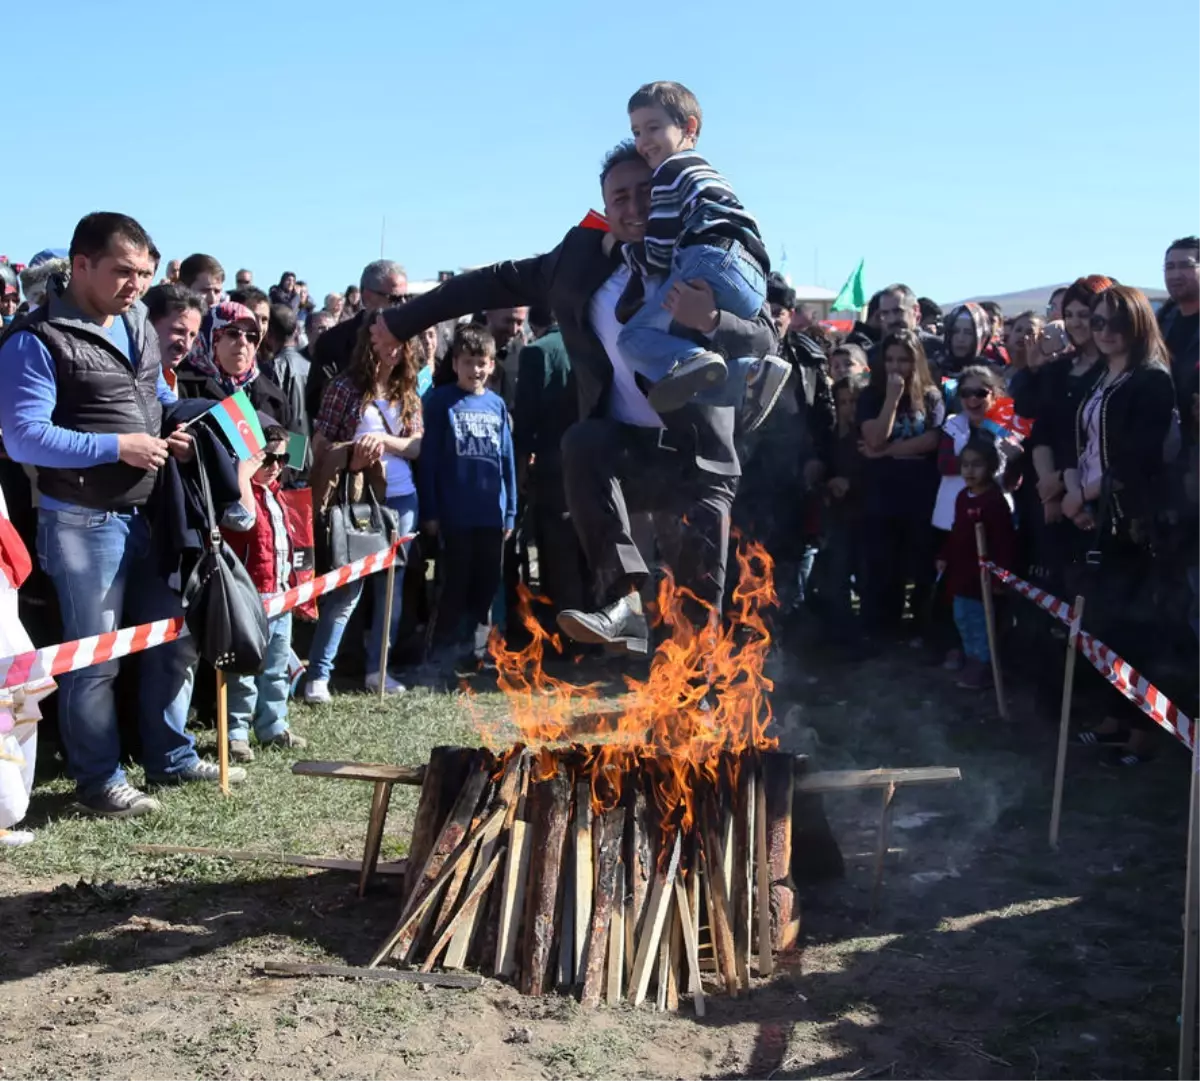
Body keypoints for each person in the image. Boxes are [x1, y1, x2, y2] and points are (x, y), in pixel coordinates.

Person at [370, 140, 775, 656]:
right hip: (626, 447)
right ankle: (620, 598)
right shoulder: (579, 260)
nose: (634, 208)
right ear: (605, 209)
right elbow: (488, 284)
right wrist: (403, 320)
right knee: (582, 441)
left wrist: (713, 320)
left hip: (697, 456)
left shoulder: (698, 252)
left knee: (694, 618)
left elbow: (765, 338)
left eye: (647, 193)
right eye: (620, 198)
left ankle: (691, 727)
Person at [0, 212, 242, 816]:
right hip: (80, 519)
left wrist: (178, 425)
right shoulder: (34, 340)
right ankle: (98, 781)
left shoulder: (137, 322)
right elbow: (24, 436)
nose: (136, 286)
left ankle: (170, 755)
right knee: (95, 659)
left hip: (149, 516)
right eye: (123, 272)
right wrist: (119, 447)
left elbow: (153, 397)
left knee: (173, 638)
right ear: (81, 265)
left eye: (144, 274)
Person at [616, 81, 788, 423]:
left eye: (653, 128)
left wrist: (631, 255)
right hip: (751, 276)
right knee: (689, 382)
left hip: (709, 258)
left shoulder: (670, 170)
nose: (643, 142)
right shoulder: (713, 175)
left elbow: (660, 248)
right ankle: (750, 376)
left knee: (633, 338)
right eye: (636, 131)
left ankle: (692, 357)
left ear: (688, 127)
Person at [1064, 285, 1176, 764]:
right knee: (1106, 626)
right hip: (1095, 512)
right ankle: (1113, 717)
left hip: (1134, 522)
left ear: (1136, 324)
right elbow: (1084, 443)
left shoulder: (1150, 379)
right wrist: (1074, 487)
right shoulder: (1102, 375)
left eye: (1114, 322)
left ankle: (1141, 732)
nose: (1103, 331)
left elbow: (1136, 458)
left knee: (1138, 630)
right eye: (1096, 322)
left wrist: (1082, 494)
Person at [306, 325, 422, 700]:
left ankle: (378, 672)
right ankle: (318, 676)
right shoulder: (344, 387)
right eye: (385, 342)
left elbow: (416, 447)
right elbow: (319, 445)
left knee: (392, 591)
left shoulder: (407, 390)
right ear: (369, 343)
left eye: (398, 343)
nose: (392, 351)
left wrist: (385, 441)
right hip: (358, 499)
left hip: (403, 498)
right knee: (348, 587)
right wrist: (354, 452)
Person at [419, 326, 515, 662]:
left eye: (481, 362)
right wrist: (430, 512)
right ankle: (440, 653)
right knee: (454, 584)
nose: (475, 369)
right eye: (468, 362)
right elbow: (428, 462)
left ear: (491, 365)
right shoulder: (441, 402)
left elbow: (507, 461)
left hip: (491, 514)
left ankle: (477, 654)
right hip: (455, 514)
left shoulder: (497, 405)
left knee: (486, 585)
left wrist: (510, 511)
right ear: (456, 363)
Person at [220, 426, 308, 762]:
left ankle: (273, 725)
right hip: (249, 597)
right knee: (244, 670)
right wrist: (242, 477)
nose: (275, 466)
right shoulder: (241, 493)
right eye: (267, 458)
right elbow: (240, 523)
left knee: (275, 668)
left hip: (279, 596)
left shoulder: (277, 493)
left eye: (282, 458)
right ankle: (236, 732)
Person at [857, 328, 945, 641]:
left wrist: (886, 452)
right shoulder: (871, 396)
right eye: (891, 359)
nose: (896, 367)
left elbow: (932, 439)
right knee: (883, 563)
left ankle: (920, 626)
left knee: (920, 561)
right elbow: (874, 436)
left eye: (904, 360)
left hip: (921, 492)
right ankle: (882, 627)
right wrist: (892, 400)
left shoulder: (932, 396)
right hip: (883, 492)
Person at [513, 305, 589, 622]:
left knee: (557, 553)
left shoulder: (535, 353)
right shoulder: (591, 346)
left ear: (534, 323)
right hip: (593, 463)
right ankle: (596, 630)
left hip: (553, 468)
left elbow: (526, 422)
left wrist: (518, 472)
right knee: (588, 549)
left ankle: (566, 635)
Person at [936, 433, 1016, 689]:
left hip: (981, 577)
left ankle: (982, 665)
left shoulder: (994, 502)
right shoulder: (962, 497)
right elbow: (956, 530)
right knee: (963, 618)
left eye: (977, 464)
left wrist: (999, 577)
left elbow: (1004, 543)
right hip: (960, 573)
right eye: (966, 464)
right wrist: (944, 555)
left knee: (981, 623)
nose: (970, 470)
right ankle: (970, 657)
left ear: (991, 466)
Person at [307, 260, 408, 423]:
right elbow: (315, 403)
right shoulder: (333, 342)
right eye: (394, 298)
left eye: (406, 298)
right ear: (367, 296)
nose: (402, 305)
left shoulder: (410, 340)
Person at [811, 373, 868, 647]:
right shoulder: (831, 435)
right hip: (835, 514)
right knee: (836, 575)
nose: (849, 407)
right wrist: (827, 482)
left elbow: (874, 473)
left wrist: (852, 483)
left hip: (863, 513)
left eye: (854, 401)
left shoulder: (866, 435)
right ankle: (839, 633)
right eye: (843, 401)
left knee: (863, 575)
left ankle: (861, 633)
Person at [176, 301, 293, 429]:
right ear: (212, 337)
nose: (243, 342)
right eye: (233, 333)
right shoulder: (179, 384)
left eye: (251, 337)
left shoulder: (274, 397)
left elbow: (293, 446)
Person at [1159, 236, 1200, 424]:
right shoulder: (1159, 322)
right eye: (1170, 267)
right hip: (1168, 440)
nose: (1175, 274)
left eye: (1185, 265)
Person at [872, 284, 947, 374]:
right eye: (885, 313)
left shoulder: (937, 349)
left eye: (898, 311)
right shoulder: (873, 355)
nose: (891, 320)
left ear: (915, 311)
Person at [144, 283, 203, 393]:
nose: (187, 346)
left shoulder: (176, 383)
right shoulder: (115, 378)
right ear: (148, 324)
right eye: (179, 331)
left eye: (192, 335)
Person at [941, 302, 995, 378]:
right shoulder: (933, 368)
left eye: (968, 333)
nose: (960, 338)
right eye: (955, 331)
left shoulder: (992, 373)